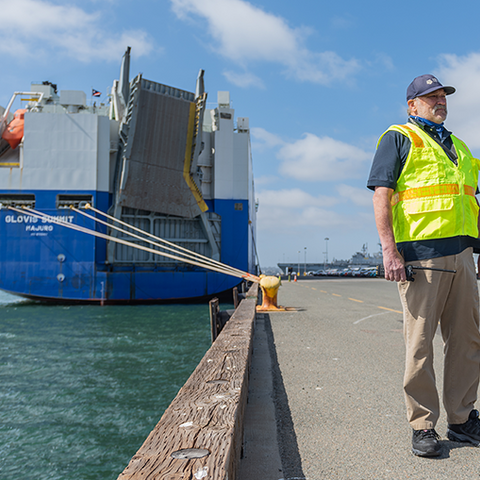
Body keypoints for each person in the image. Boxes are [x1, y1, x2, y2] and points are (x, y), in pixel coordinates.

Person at [367, 74, 480, 457]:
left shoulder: (461, 147)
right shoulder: (398, 137)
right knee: (420, 345)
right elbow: (382, 194)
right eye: (430, 97)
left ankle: (462, 420)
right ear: (412, 105)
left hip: (463, 255)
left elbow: (469, 202)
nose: (440, 102)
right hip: (422, 256)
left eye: (443, 97)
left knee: (467, 341)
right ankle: (422, 425)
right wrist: (389, 251)